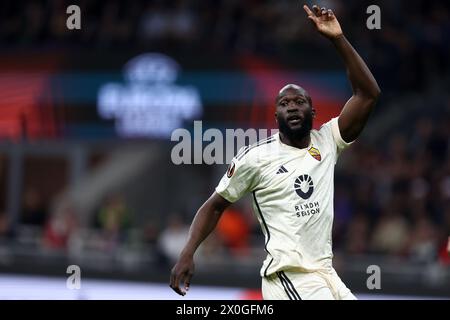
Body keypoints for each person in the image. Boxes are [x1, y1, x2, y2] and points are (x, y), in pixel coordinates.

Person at [170, 4, 380, 300]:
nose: (292, 106)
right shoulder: (255, 157)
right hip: (287, 277)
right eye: (284, 103)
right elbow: (215, 205)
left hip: (325, 274)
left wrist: (337, 39)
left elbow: (368, 94)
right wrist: (188, 253)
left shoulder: (328, 140)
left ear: (313, 111)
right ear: (276, 116)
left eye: (299, 101)